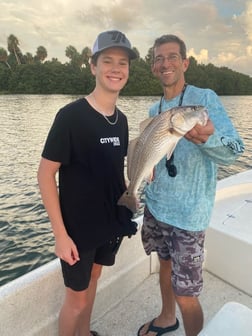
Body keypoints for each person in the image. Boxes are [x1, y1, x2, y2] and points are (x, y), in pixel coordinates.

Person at [137, 35, 244, 336]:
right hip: (157, 207)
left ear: (185, 62)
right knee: (164, 267)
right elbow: (152, 157)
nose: (165, 62)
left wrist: (207, 139)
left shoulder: (204, 100)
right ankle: (166, 318)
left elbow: (235, 149)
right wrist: (147, 175)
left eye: (172, 56)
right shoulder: (152, 111)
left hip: (189, 216)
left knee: (186, 293)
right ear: (154, 68)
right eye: (159, 58)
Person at [37, 30, 137, 336]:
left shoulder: (120, 120)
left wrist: (129, 199)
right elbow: (44, 175)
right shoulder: (70, 116)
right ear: (93, 66)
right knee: (76, 302)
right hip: (77, 231)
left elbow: (114, 171)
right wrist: (60, 236)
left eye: (123, 62)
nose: (116, 68)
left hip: (109, 224)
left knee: (94, 280)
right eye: (107, 60)